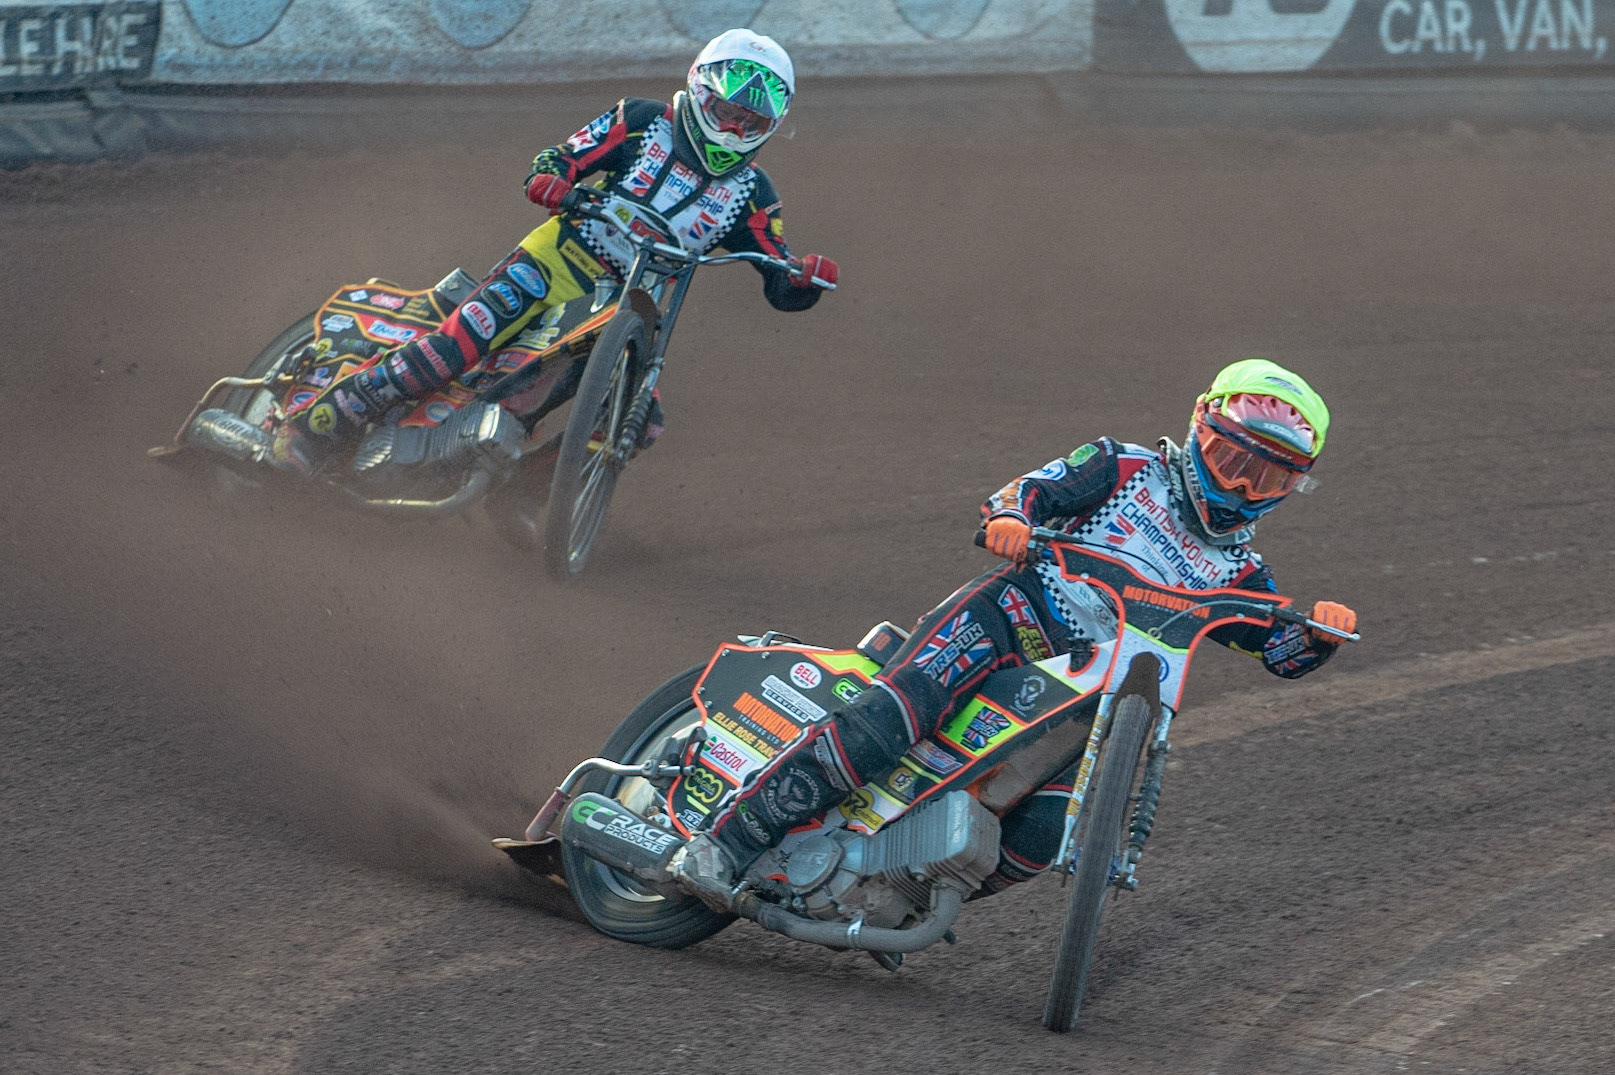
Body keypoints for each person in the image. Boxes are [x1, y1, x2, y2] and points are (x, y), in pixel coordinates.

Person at [675, 359, 1358, 906]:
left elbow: (1278, 650)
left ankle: (899, 897)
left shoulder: (1244, 572)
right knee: (893, 716)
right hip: (1010, 618)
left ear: (1291, 486)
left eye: (1266, 476)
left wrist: (1319, 635)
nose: (1239, 487)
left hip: (1087, 700)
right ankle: (725, 844)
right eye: (1230, 459)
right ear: (1198, 426)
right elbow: (1027, 491)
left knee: (1044, 833)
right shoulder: (1123, 467)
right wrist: (1010, 520)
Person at [273, 28, 838, 471]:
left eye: (750, 122)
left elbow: (777, 270)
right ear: (699, 91)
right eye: (726, 113)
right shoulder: (642, 121)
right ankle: (317, 426)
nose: (734, 130)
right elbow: (562, 157)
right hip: (557, 259)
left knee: (638, 420)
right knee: (459, 344)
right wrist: (552, 181)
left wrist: (803, 279)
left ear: (772, 125)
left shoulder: (753, 194)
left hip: (628, 307)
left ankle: (527, 494)